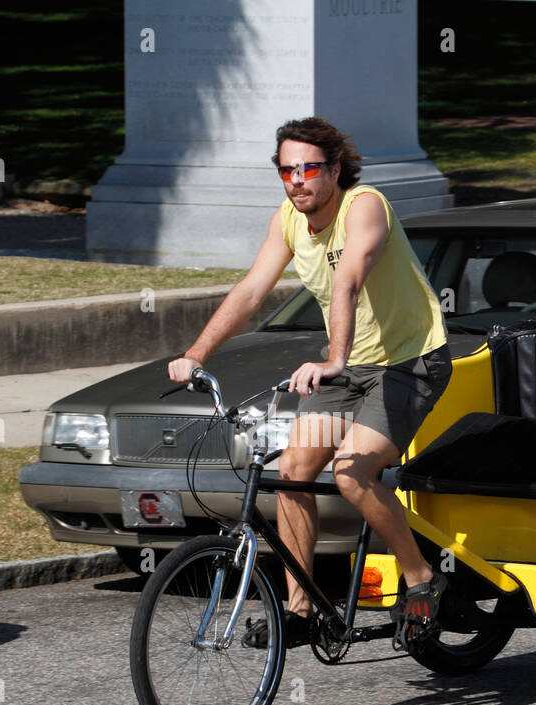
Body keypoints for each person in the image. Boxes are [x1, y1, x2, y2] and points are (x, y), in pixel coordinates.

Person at [167, 117, 453, 647]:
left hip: (407, 365)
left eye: (309, 168)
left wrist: (333, 360)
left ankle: (421, 578)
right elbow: (253, 290)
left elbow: (348, 279)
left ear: (335, 170)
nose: (298, 180)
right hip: (348, 371)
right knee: (294, 471)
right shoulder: (287, 220)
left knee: (351, 473)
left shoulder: (364, 205)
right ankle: (301, 611)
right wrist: (195, 354)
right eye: (287, 170)